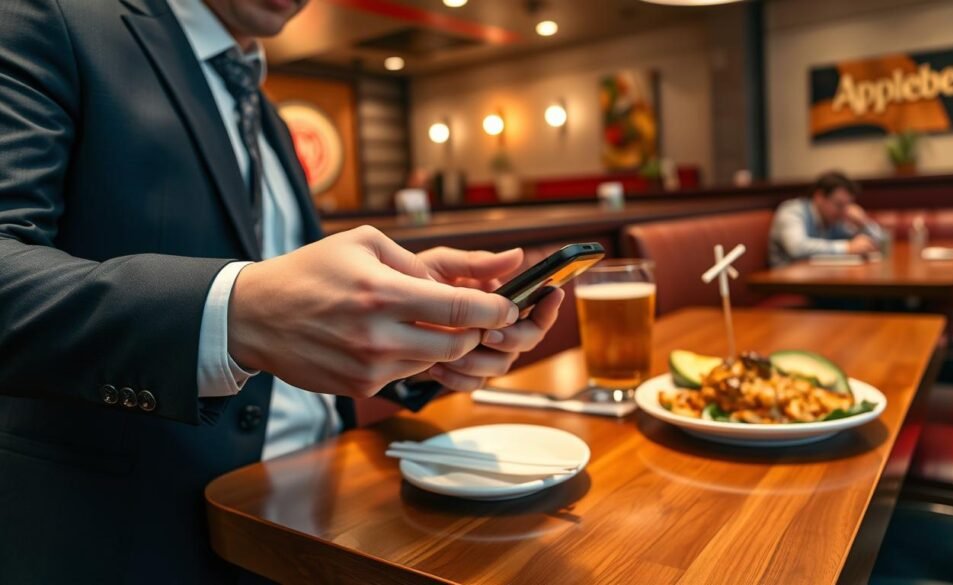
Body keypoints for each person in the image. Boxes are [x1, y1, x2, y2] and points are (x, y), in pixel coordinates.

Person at [0, 0, 564, 582]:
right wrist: (234, 316)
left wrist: (412, 342)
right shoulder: (53, 17)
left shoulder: (261, 109)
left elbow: (293, 316)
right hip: (140, 531)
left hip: (329, 503)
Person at [769, 171, 883, 266]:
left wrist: (864, 222)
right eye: (839, 205)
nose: (844, 211)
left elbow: (878, 241)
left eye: (847, 205)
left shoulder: (836, 219)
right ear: (819, 197)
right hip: (786, 283)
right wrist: (847, 247)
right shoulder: (792, 211)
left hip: (820, 278)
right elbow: (797, 248)